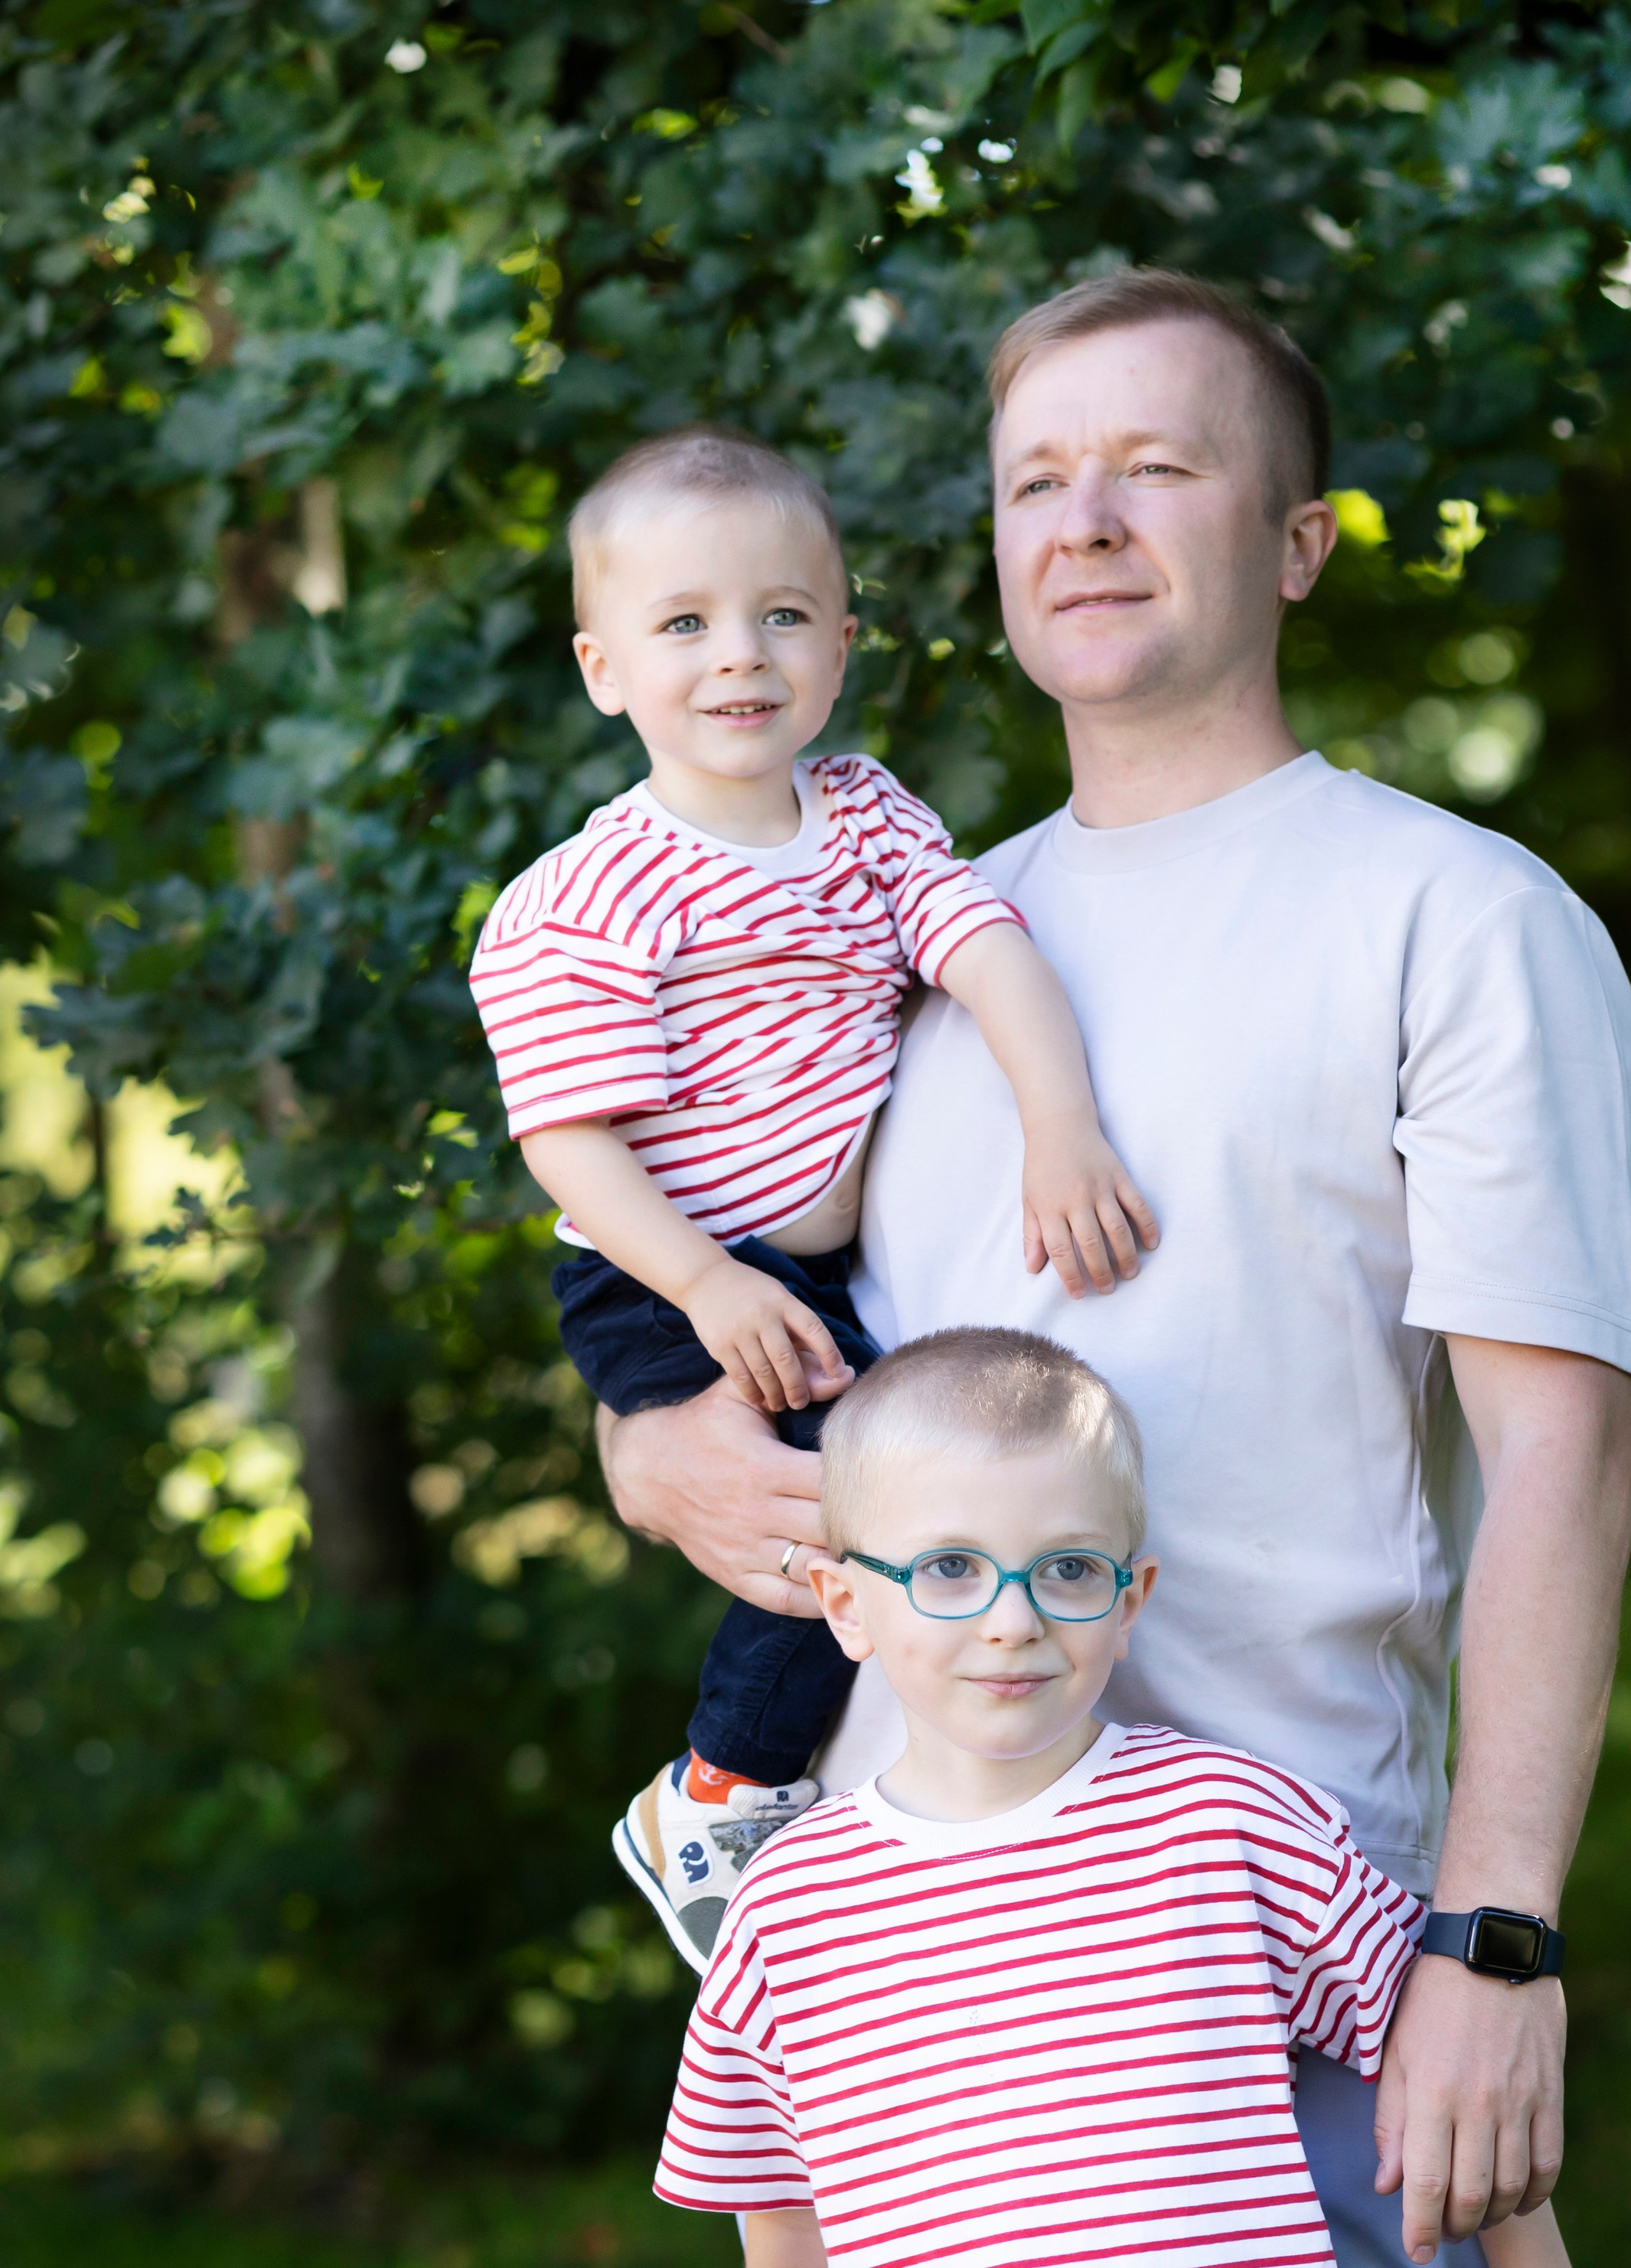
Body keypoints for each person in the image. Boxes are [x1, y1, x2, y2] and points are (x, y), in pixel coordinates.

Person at [605, 268, 1631, 2268]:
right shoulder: (899, 952)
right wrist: (644, 1442)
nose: (1087, 515)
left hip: (1289, 1986)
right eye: (1038, 474)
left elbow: (1566, 1462)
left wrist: (1495, 1940)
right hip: (930, 2000)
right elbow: (755, 1330)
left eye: (1159, 466)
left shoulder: (1454, 917)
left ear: (1294, 542)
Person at [657, 1328, 1606, 2268]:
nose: (1012, 1622)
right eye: (948, 1569)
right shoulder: (792, 1908)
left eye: (1067, 1570)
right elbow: (782, 2207)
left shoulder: (1222, 1822)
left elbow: (1436, 2073)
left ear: (1132, 1590)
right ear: (842, 1599)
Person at [468, 425, 1154, 1969]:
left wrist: (1060, 1123)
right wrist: (706, 1290)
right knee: (837, 1531)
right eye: (685, 623)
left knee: (898, 1506)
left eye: (783, 615)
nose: (740, 656)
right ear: (603, 668)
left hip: (814, 1273)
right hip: (665, 1268)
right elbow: (567, 1139)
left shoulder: (865, 820)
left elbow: (987, 955)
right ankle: (714, 1794)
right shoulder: (589, 897)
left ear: (841, 641)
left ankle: (898, 1807)